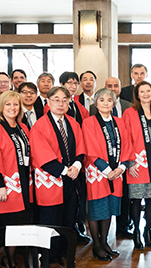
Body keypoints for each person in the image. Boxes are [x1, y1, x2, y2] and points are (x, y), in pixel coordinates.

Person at [30, 86, 87, 264]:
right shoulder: (40, 125)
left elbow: (81, 148)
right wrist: (65, 171)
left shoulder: (73, 122)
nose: (61, 104)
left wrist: (77, 165)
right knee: (51, 220)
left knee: (68, 218)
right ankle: (48, 256)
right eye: (56, 100)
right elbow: (41, 154)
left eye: (65, 100)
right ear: (48, 102)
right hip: (52, 180)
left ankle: (65, 254)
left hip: (71, 179)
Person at [0, 91, 34, 268]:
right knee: (8, 226)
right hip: (5, 186)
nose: (13, 108)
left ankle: (12, 259)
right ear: (0, 107)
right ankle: (6, 260)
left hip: (24, 183)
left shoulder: (22, 127)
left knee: (20, 225)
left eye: (16, 104)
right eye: (8, 104)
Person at [83, 88, 131, 261]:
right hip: (97, 172)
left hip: (116, 172)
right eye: (101, 100)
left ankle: (105, 243)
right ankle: (96, 245)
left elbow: (128, 145)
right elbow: (90, 148)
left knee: (110, 208)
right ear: (96, 103)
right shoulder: (89, 123)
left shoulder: (120, 122)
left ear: (113, 103)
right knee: (98, 209)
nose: (105, 103)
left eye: (109, 100)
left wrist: (122, 167)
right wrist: (106, 170)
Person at [122, 81, 151, 249]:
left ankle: (147, 232)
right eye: (142, 91)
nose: (145, 94)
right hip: (137, 164)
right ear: (137, 94)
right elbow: (125, 138)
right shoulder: (129, 113)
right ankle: (136, 233)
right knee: (135, 200)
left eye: (148, 91)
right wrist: (129, 163)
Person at [58, 72, 93, 243]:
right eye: (69, 83)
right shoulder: (54, 106)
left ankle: (77, 226)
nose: (72, 86)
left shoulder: (80, 107)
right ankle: (66, 232)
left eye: (74, 83)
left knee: (79, 194)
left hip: (78, 157)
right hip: (61, 160)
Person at [103, 76, 137, 239]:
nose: (113, 88)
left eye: (116, 86)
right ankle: (104, 232)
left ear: (120, 88)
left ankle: (123, 227)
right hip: (105, 160)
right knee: (105, 197)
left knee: (125, 195)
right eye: (109, 86)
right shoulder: (97, 108)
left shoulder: (129, 106)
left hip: (125, 157)